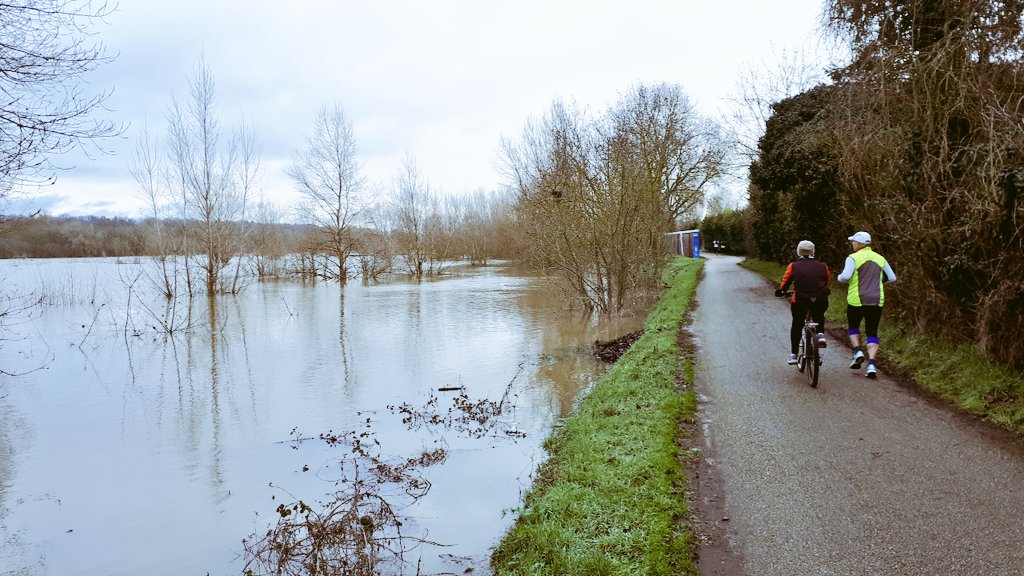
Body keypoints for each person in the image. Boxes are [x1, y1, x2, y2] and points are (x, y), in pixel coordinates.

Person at [837, 231, 897, 379]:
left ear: (859, 244)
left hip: (857, 299)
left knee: (853, 326)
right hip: (877, 299)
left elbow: (845, 276)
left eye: (853, 242)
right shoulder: (880, 258)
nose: (852, 244)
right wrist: (879, 284)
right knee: (872, 331)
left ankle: (857, 351)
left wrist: (839, 278)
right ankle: (871, 365)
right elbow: (892, 277)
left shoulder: (853, 258)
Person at [775, 240, 831, 365]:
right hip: (820, 299)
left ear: (798, 252)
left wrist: (781, 291)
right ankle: (821, 334)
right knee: (819, 313)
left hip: (801, 301)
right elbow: (826, 281)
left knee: (797, 324)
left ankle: (794, 355)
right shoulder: (823, 266)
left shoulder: (793, 266)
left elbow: (785, 283)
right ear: (813, 251)